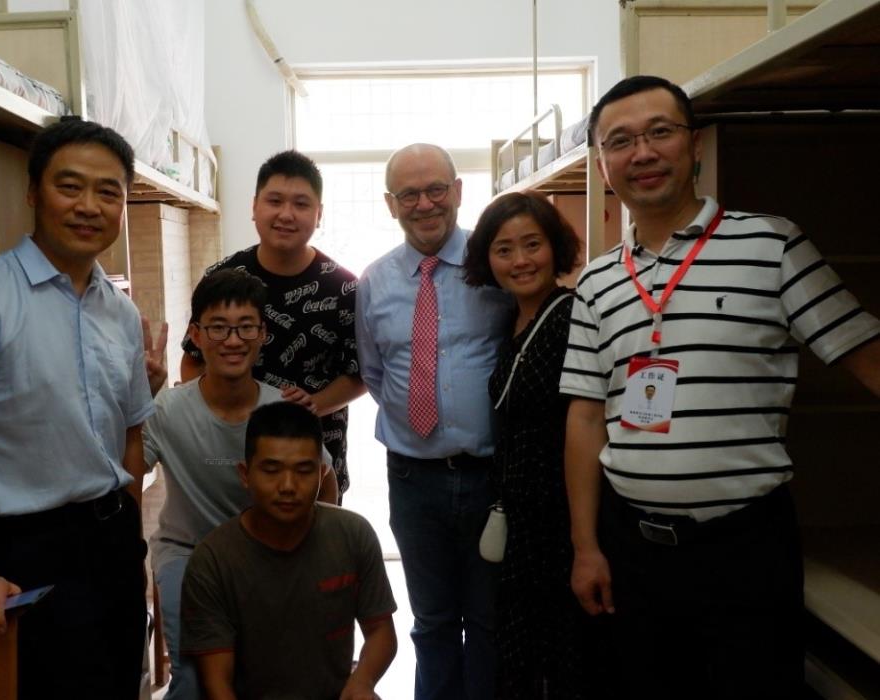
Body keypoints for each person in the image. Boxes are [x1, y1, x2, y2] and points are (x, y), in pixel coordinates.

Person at [560, 75, 880, 699]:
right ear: (602, 165)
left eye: (660, 132)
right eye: (620, 141)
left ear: (695, 144)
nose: (642, 153)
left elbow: (865, 357)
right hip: (633, 550)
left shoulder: (771, 244)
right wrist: (585, 546)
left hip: (745, 547)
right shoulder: (597, 282)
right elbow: (585, 417)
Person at [0, 118, 153, 698]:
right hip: (25, 554)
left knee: (118, 684)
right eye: (70, 186)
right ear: (34, 193)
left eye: (108, 191)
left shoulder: (119, 312)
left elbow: (130, 433)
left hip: (113, 544)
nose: (88, 206)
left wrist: (128, 522)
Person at [355, 143, 510, 699]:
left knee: (490, 620)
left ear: (458, 191)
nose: (424, 204)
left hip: (491, 478)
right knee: (433, 621)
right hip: (413, 479)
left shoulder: (494, 264)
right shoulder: (374, 281)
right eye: (409, 194)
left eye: (436, 189)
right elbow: (375, 372)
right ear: (391, 204)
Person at [143, 268, 338, 700]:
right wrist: (135, 400)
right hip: (188, 553)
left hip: (269, 555)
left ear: (263, 334)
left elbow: (324, 482)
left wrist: (315, 549)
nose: (233, 340)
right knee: (195, 679)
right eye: (218, 327)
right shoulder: (166, 409)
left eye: (246, 326)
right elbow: (126, 475)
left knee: (272, 673)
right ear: (196, 335)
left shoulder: (283, 409)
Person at [463, 191, 602, 699]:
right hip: (521, 521)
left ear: (554, 247)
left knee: (566, 657)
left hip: (562, 521)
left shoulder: (571, 317)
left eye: (532, 244)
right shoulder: (509, 322)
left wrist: (585, 543)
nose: (520, 260)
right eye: (504, 249)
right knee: (522, 653)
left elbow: (589, 422)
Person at [179, 401, 397, 699]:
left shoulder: (353, 535)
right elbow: (217, 682)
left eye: (304, 471)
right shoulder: (213, 560)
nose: (288, 486)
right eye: (271, 470)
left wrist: (363, 681)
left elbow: (381, 631)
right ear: (245, 474)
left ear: (322, 474)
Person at [177, 150, 364, 497]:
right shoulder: (222, 277)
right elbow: (193, 360)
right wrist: (214, 412)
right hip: (232, 449)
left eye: (301, 204)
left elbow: (359, 375)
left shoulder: (345, 288)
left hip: (316, 454)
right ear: (254, 207)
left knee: (318, 530)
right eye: (275, 201)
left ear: (319, 213)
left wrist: (314, 404)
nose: (286, 214)